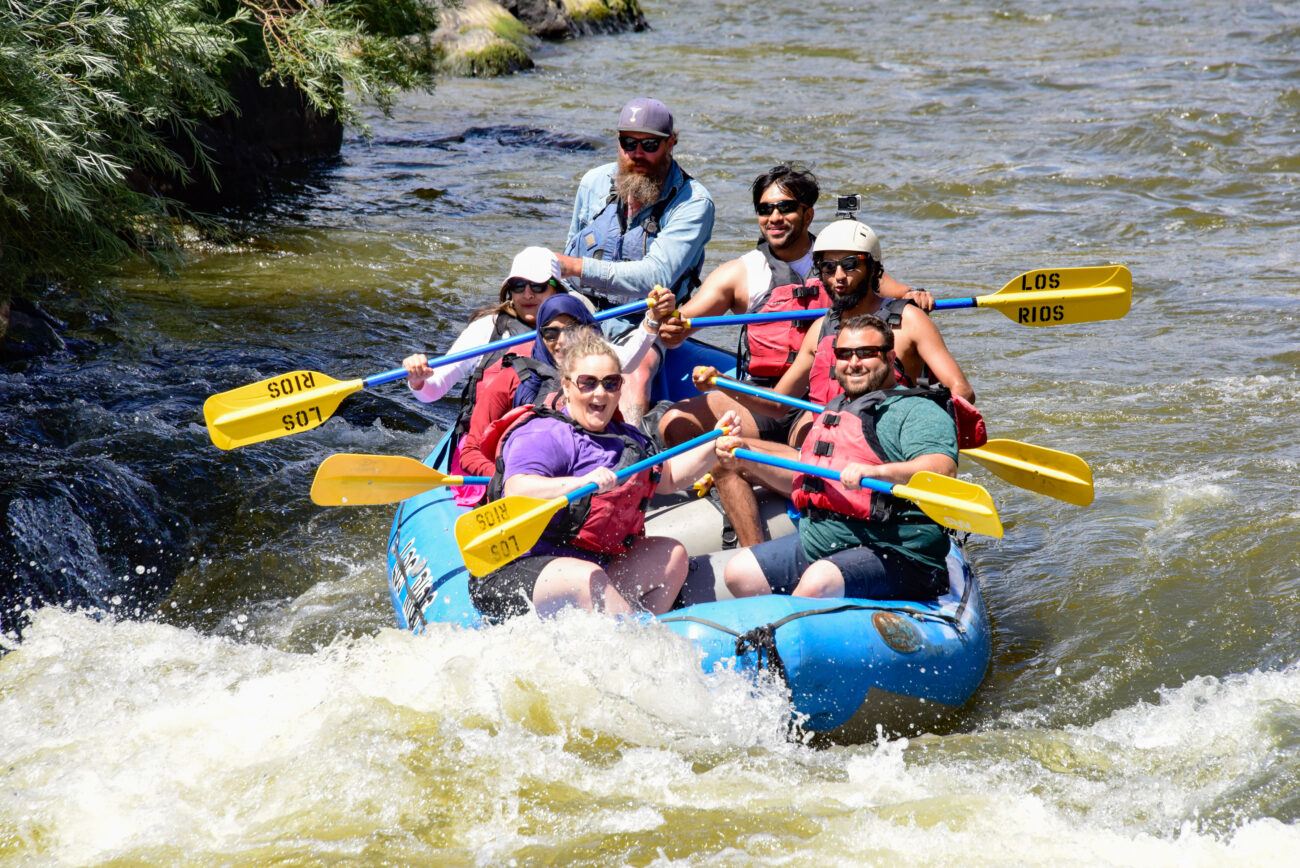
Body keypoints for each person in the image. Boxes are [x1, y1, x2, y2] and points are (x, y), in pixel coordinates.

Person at [686, 219, 975, 547]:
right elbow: (779, 405)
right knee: (727, 453)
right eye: (828, 267)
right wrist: (724, 384)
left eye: (850, 265)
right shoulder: (823, 327)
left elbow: (960, 390)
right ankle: (757, 561)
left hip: (881, 462)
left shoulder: (907, 320)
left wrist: (929, 444)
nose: (839, 276)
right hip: (825, 458)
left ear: (873, 268)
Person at [469, 329, 740, 623]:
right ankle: (635, 645)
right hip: (515, 569)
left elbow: (670, 478)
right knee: (586, 578)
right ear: (567, 386)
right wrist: (581, 483)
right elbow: (517, 489)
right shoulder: (542, 434)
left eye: (611, 383)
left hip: (592, 565)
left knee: (670, 554)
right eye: (588, 383)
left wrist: (714, 445)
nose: (600, 393)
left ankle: (640, 628)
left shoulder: (629, 440)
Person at [657, 165, 930, 455]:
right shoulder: (739, 273)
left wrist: (918, 296)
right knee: (674, 424)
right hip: (760, 396)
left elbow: (903, 296)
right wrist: (669, 322)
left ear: (807, 214)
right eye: (765, 210)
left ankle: (766, 465)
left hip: (819, 397)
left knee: (819, 448)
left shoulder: (841, 263)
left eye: (785, 208)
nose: (774, 218)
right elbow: (675, 331)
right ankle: (736, 470)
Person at [715, 315, 957, 603]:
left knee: (818, 580)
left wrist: (879, 472)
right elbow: (805, 478)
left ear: (891, 356)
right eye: (844, 354)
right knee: (739, 572)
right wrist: (746, 460)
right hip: (825, 541)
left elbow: (943, 469)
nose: (853, 362)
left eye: (866, 353)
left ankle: (798, 630)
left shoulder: (917, 410)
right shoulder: (836, 408)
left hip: (897, 549)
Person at [556, 97, 715, 425]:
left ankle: (628, 456)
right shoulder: (593, 183)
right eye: (629, 143)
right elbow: (569, 253)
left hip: (644, 321)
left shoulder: (694, 203)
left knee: (636, 374)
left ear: (671, 143)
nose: (637, 153)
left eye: (649, 144)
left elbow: (654, 275)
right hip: (585, 310)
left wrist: (577, 267)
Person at [457, 287, 674, 480]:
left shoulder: (600, 383)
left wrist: (652, 320)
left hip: (587, 481)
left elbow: (627, 361)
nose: (561, 341)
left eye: (571, 331)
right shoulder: (510, 379)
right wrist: (508, 481)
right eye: (550, 333)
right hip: (523, 480)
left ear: (587, 331)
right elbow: (470, 451)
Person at [402, 246, 568, 414]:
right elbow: (433, 392)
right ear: (509, 290)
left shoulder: (576, 332)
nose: (527, 294)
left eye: (537, 286)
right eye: (518, 285)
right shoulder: (487, 328)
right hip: (487, 433)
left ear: (557, 289)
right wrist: (418, 381)